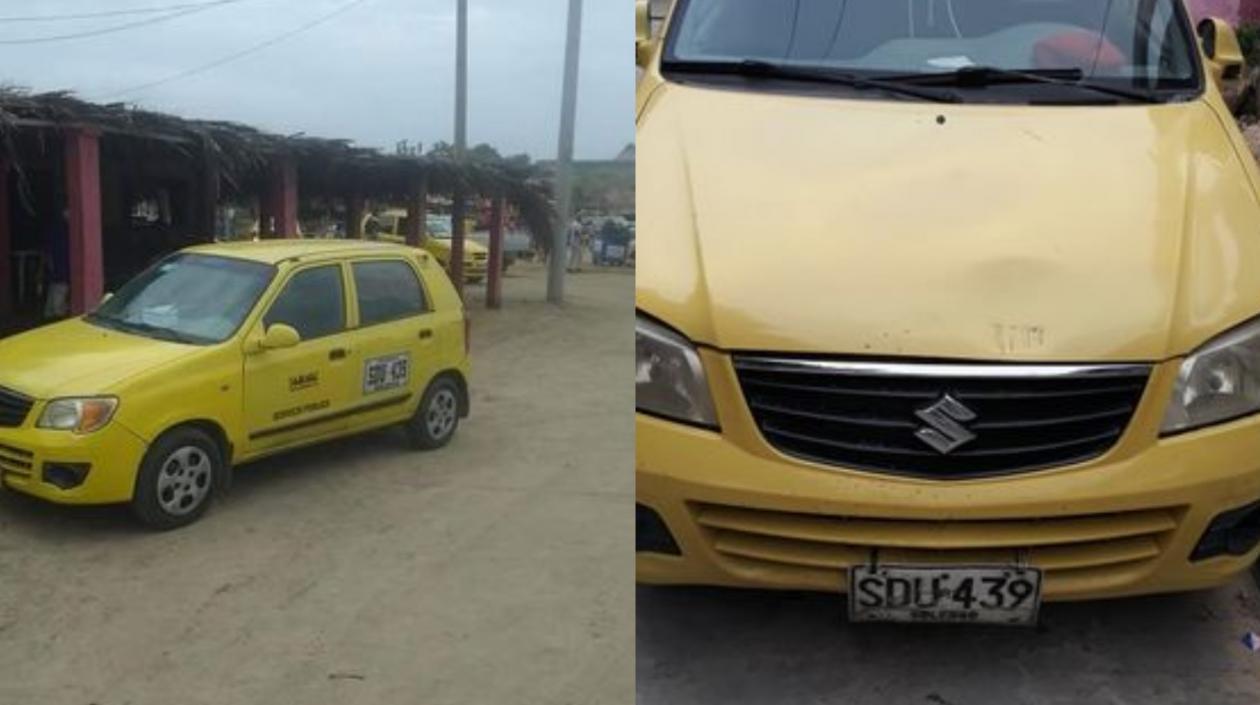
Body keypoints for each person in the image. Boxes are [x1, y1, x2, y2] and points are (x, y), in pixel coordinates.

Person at [43, 209, 70, 319]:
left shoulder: (60, 228)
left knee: (54, 288)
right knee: (59, 289)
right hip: (61, 267)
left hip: (58, 266)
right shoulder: (62, 229)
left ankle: (50, 314)